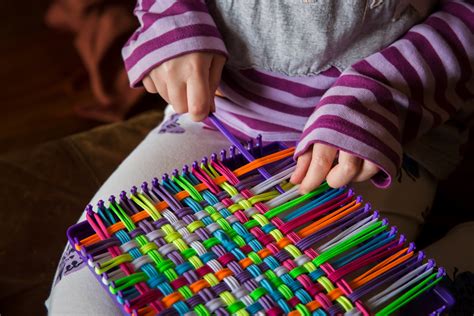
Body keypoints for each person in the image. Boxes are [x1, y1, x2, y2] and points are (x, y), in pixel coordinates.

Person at [46, 0, 473, 314]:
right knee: (81, 299)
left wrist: (379, 99)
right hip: (220, 114)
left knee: (320, 299)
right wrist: (174, 23)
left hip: (377, 137)